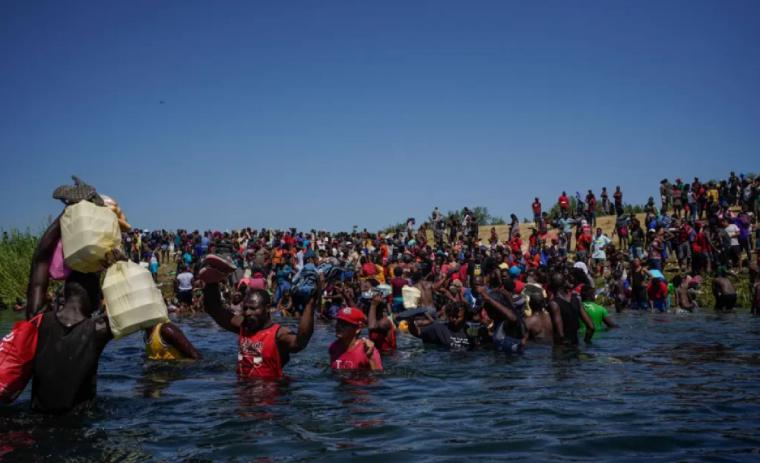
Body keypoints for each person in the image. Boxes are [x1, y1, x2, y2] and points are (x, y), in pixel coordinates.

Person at [25, 216, 115, 413]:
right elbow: (135, 302)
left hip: (36, 425)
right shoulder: (99, 330)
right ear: (93, 296)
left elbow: (39, 260)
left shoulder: (38, 319)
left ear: (66, 293)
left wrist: (65, 216)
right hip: (78, 430)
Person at [202, 257, 319, 379]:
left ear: (267, 309)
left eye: (253, 308)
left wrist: (310, 303)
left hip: (270, 393)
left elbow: (301, 341)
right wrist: (212, 281)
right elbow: (214, 310)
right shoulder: (244, 326)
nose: (247, 312)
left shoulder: (279, 335)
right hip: (242, 393)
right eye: (246, 308)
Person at [329, 306, 383, 371]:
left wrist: (370, 358)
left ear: (358, 329)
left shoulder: (367, 349)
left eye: (344, 324)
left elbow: (378, 377)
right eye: (338, 322)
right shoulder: (334, 347)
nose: (339, 326)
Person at [548, 273, 595, 346]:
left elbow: (560, 334)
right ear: (564, 283)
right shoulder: (576, 299)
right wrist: (586, 341)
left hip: (561, 350)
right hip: (576, 345)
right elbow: (591, 327)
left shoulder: (554, 304)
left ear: (550, 286)